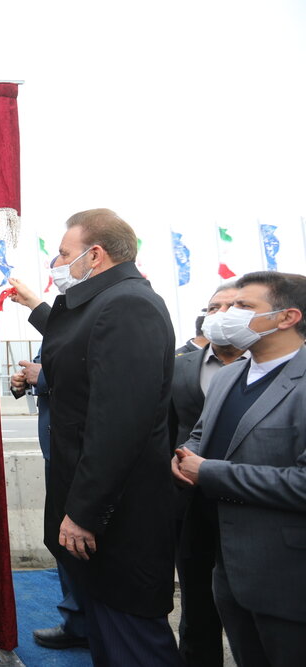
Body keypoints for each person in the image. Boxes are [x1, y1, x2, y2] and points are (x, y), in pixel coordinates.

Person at [35, 209, 179, 665]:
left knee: (132, 641)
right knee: (107, 640)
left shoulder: (127, 305)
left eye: (64, 253)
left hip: (118, 520)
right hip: (99, 516)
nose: (56, 263)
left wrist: (84, 512)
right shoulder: (101, 303)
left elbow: (120, 423)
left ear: (94, 255)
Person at [172, 271, 306, 666]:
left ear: (287, 317)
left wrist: (208, 472)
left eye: (243, 306)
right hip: (225, 565)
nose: (226, 314)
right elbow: (200, 436)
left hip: (285, 572)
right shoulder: (231, 375)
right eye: (225, 306)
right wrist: (183, 458)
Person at [8, 277, 89, 650]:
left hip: (83, 454)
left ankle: (91, 622)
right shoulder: (60, 333)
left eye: (64, 253)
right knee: (63, 540)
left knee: (81, 540)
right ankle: (77, 620)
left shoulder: (100, 323)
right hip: (56, 450)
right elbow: (47, 374)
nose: (59, 264)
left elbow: (77, 374)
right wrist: (24, 381)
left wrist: (46, 377)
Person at [169, 283, 247, 666]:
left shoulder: (277, 370)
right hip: (192, 507)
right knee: (198, 608)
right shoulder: (178, 366)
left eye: (234, 306)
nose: (221, 315)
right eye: (214, 307)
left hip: (256, 510)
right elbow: (169, 434)